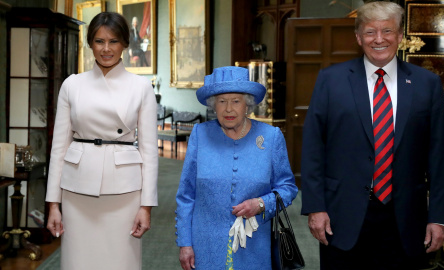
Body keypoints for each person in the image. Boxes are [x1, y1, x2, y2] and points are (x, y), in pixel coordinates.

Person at [301, 2, 444, 269]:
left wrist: (439, 217)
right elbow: (314, 148)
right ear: (358, 37)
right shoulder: (330, 79)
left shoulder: (426, 84)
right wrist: (315, 207)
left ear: (400, 36)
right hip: (342, 216)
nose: (379, 39)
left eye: (387, 31)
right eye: (370, 32)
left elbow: (438, 156)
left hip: (406, 219)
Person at [45, 12, 158, 270]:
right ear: (90, 44)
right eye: (99, 41)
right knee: (78, 262)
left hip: (124, 192)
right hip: (77, 189)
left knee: (121, 262)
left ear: (125, 44)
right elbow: (58, 149)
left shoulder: (141, 87)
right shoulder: (72, 85)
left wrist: (146, 206)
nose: (106, 49)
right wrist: (53, 204)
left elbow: (150, 152)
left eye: (113, 41)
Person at [175, 66, 298, 270]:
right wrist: (185, 243)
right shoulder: (200, 134)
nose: (228, 109)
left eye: (236, 101)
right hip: (205, 244)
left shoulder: (271, 137)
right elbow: (186, 195)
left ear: (247, 105)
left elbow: (288, 188)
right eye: (222, 101)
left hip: (255, 247)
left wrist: (261, 204)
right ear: (214, 105)